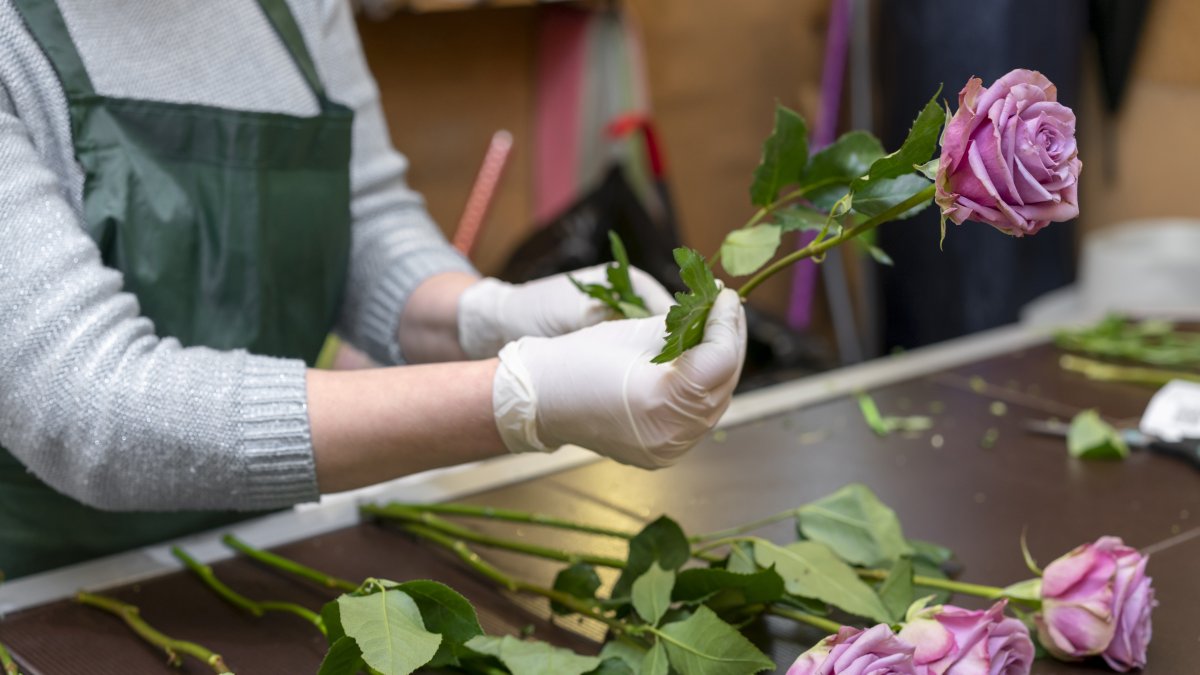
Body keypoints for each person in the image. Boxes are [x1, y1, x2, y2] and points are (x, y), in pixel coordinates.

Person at [0, 0, 746, 579]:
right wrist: (519, 399)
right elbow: (88, 403)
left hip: (254, 559)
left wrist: (483, 314)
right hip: (32, 598)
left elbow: (365, 215)